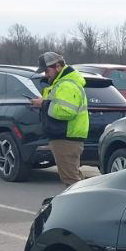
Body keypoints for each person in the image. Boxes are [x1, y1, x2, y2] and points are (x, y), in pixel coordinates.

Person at [30, 52, 89, 186]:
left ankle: (77, 206)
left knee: (71, 181)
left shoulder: (66, 84)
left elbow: (66, 112)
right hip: (66, 137)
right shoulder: (63, 83)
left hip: (66, 137)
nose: (45, 74)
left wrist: (43, 104)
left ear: (57, 66)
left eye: (47, 70)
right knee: (74, 178)